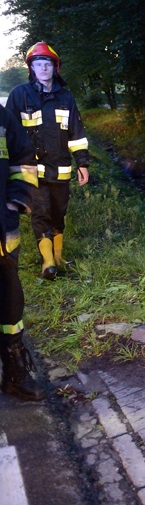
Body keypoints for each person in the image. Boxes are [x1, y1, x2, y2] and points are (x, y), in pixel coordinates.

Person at [6, 42, 89, 280]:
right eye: (37, 64)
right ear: (31, 69)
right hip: (31, 168)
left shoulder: (66, 97)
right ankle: (48, 262)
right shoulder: (19, 95)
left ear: (55, 67)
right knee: (40, 212)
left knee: (58, 212)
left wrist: (82, 163)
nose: (43, 68)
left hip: (60, 168)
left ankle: (58, 256)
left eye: (47, 64)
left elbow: (77, 133)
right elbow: (8, 132)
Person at [0, 103, 45, 401]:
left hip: (1, 235)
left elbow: (24, 162)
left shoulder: (1, 117)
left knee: (9, 305)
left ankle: (15, 374)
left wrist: (15, 202)